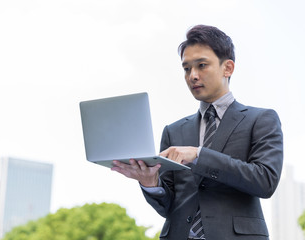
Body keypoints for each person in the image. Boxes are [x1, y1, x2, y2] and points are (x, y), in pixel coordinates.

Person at [111, 25, 283, 240]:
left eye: (202, 65)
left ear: (227, 68)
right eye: (186, 69)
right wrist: (150, 183)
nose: (193, 76)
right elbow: (169, 207)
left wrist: (199, 155)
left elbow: (265, 181)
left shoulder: (261, 119)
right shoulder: (173, 131)